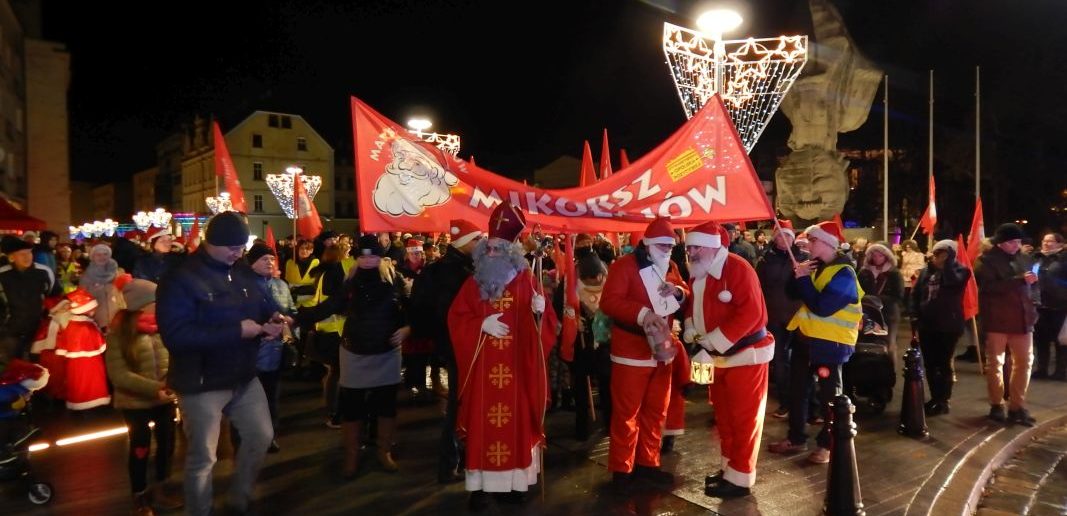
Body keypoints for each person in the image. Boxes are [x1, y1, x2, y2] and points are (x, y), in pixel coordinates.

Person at [157, 211, 287, 516]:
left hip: (242, 374)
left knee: (261, 435)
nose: (237, 253)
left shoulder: (240, 269)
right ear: (209, 242)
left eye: (241, 247)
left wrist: (273, 317)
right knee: (204, 456)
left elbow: (261, 301)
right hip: (201, 381)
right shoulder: (181, 277)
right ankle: (199, 510)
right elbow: (176, 336)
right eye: (231, 247)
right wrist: (238, 330)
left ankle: (239, 498)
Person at [448, 201, 557, 510]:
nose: (493, 254)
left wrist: (541, 313)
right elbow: (456, 319)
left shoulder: (528, 282)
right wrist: (479, 324)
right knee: (483, 425)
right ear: (483, 252)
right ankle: (480, 488)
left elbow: (545, 328)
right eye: (489, 249)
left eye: (500, 249)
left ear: (512, 252)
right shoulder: (473, 284)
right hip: (483, 371)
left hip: (517, 370)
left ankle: (514, 484)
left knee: (516, 425)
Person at [298, 234, 409, 479]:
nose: (367, 260)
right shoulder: (350, 281)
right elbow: (330, 306)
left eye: (372, 255)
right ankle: (351, 457)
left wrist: (408, 327)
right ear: (357, 258)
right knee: (352, 407)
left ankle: (383, 452)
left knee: (386, 406)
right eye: (362, 256)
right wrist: (297, 318)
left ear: (380, 257)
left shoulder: (394, 278)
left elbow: (411, 307)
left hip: (387, 353)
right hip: (355, 351)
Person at [681, 221, 774, 498]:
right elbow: (692, 307)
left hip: (745, 356)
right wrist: (690, 328)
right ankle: (729, 469)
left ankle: (741, 477)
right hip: (714, 358)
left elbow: (751, 313)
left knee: (744, 419)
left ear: (711, 246)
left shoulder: (737, 268)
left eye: (696, 246)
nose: (692, 252)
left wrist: (714, 340)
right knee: (723, 417)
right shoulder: (698, 273)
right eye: (689, 247)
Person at [600, 216, 689, 493]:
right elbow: (609, 301)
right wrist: (642, 314)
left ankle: (648, 464)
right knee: (627, 413)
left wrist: (678, 291)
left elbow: (683, 291)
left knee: (655, 410)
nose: (667, 250)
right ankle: (622, 469)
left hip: (662, 351)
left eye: (670, 245)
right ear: (648, 244)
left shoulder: (671, 267)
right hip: (631, 351)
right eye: (662, 245)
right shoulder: (623, 266)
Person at [769, 220, 861, 465]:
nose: (807, 244)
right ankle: (796, 438)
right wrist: (798, 275)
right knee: (797, 391)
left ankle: (827, 444)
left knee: (830, 397)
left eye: (812, 240)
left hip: (831, 345)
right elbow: (793, 292)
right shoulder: (816, 266)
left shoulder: (844, 273)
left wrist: (804, 280)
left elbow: (822, 306)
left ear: (827, 243)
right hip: (806, 341)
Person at [410, 219, 482, 484]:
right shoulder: (456, 272)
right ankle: (450, 463)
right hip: (459, 346)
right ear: (463, 243)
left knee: (460, 403)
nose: (480, 244)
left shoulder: (451, 268)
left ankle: (459, 459)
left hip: (454, 345)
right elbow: (447, 313)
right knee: (459, 404)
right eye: (476, 239)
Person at [105, 279, 183, 515]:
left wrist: (172, 383)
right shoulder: (119, 334)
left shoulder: (162, 327)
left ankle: (161, 486)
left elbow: (174, 359)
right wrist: (154, 388)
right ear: (140, 305)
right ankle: (139, 495)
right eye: (155, 302)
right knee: (140, 447)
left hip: (164, 398)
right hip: (134, 401)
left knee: (167, 444)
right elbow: (118, 374)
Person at [974, 223, 1039, 426]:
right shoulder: (986, 260)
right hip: (997, 319)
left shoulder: (1023, 258)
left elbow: (1032, 286)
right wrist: (1019, 281)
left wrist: (1034, 304)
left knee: (1025, 363)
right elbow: (988, 287)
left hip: (1023, 319)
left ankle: (1017, 406)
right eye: (1012, 242)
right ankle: (996, 404)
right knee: (995, 364)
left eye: (1018, 241)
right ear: (1000, 243)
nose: (1016, 245)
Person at [910, 240, 971, 415]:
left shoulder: (961, 271)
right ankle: (935, 397)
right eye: (937, 254)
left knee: (943, 363)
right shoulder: (925, 273)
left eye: (944, 254)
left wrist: (949, 263)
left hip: (948, 325)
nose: (939, 258)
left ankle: (943, 400)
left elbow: (953, 283)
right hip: (927, 324)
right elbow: (916, 295)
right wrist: (914, 314)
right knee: (930, 363)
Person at [246, 243, 297, 452]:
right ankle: (248, 437)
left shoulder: (281, 285)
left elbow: (291, 309)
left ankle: (269, 436)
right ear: (252, 265)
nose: (269, 262)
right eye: (263, 259)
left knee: (271, 396)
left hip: (275, 351)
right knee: (248, 399)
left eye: (271, 259)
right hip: (251, 352)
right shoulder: (245, 286)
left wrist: (288, 321)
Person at [555, 253, 611, 441]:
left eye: (599, 277)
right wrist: (571, 320)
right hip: (581, 343)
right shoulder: (569, 284)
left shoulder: (609, 281)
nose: (596, 281)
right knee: (580, 388)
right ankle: (582, 428)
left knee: (607, 385)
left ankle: (611, 424)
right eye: (591, 279)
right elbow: (559, 309)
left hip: (604, 342)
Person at [756, 220, 807, 419]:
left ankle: (808, 404)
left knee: (803, 359)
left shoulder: (803, 257)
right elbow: (758, 287)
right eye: (779, 236)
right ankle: (786, 402)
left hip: (799, 315)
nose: (782, 240)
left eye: (786, 236)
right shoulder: (765, 260)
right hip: (775, 316)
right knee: (779, 360)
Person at [0, 236, 60, 360]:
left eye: (29, 253)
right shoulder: (2, 275)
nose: (27, 257)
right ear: (11, 257)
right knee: (11, 369)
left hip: (39, 331)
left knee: (38, 369)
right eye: (22, 254)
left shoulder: (44, 272)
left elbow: (55, 297)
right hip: (10, 332)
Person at [858, 243, 905, 361]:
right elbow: (857, 290)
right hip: (867, 312)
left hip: (888, 313)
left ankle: (890, 372)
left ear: (887, 256)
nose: (877, 258)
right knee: (868, 344)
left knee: (889, 344)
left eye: (880, 256)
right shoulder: (864, 272)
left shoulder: (894, 273)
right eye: (874, 255)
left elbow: (898, 295)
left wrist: (876, 299)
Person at [1032, 233, 1065, 381]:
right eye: (1044, 241)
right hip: (1040, 306)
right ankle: (1042, 369)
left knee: (1061, 341)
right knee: (1041, 339)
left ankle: (1061, 371)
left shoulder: (1063, 259)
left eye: (1051, 241)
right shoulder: (1036, 258)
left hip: (1059, 306)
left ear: (1060, 244)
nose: (1046, 244)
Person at [79, 243, 128, 331]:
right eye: (98, 254)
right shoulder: (86, 276)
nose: (102, 257)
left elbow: (126, 293)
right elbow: (82, 298)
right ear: (93, 257)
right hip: (96, 321)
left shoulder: (118, 273)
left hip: (118, 318)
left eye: (105, 254)